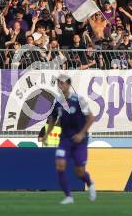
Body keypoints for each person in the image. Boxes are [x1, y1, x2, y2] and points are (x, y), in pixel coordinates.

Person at [45, 74, 96, 204]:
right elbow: (52, 119)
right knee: (60, 165)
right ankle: (68, 196)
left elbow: (91, 117)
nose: (60, 85)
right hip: (65, 140)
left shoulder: (79, 99)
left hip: (80, 140)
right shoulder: (57, 102)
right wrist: (46, 135)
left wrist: (81, 134)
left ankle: (90, 184)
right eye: (58, 83)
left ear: (68, 84)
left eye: (62, 83)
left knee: (79, 171)